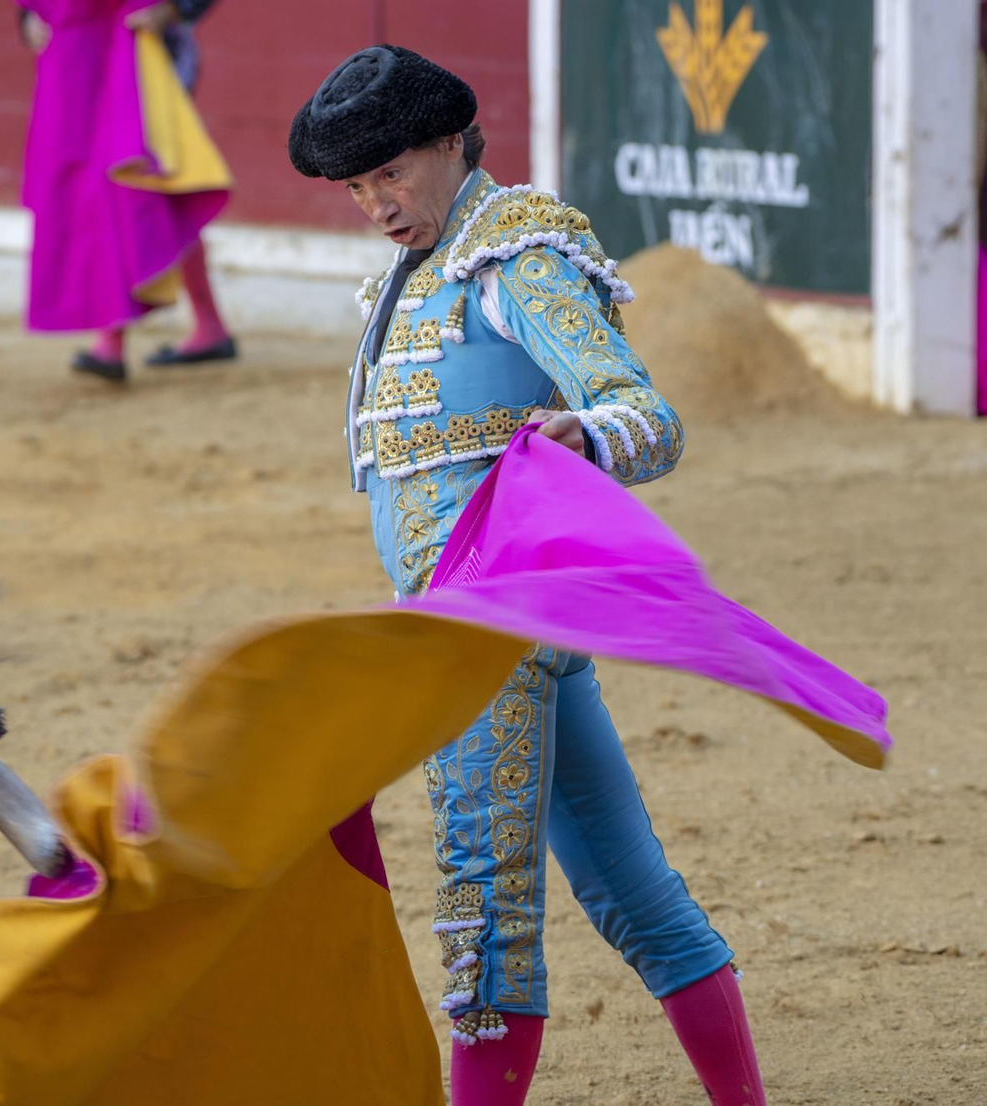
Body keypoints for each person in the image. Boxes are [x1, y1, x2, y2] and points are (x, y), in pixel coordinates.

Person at [287, 46, 768, 1104]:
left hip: (489, 637)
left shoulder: (515, 259)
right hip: (478, 633)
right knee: (633, 890)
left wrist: (586, 434)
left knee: (483, 911)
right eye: (356, 186)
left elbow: (646, 416)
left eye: (390, 174)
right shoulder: (418, 273)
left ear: (451, 143)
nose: (376, 204)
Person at [18, 1, 238, 383]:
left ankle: (112, 338)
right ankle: (208, 325)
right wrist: (27, 18)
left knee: (128, 178)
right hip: (80, 49)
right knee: (146, 186)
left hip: (149, 48)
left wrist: (176, 8)